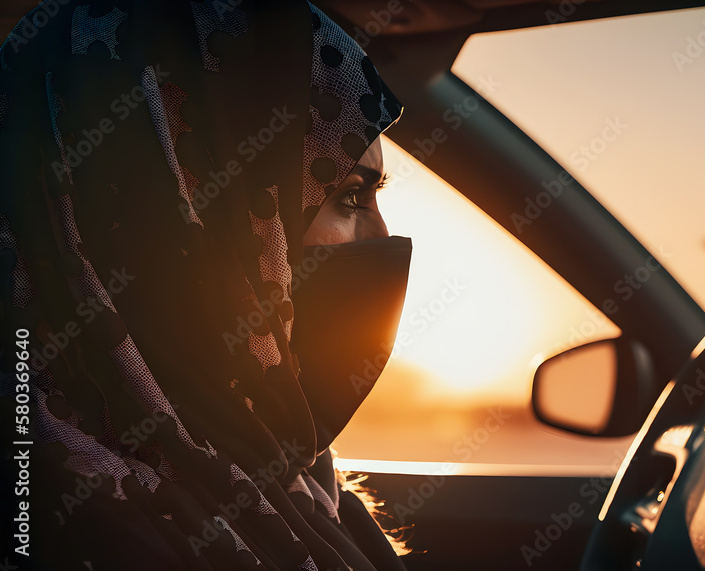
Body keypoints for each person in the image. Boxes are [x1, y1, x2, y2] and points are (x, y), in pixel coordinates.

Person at [0, 1, 412, 568]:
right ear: (200, 214)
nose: (382, 235)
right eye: (348, 198)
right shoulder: (79, 518)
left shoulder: (292, 468)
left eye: (375, 197)